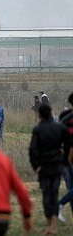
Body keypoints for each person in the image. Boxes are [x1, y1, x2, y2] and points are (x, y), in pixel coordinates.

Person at [29, 104, 69, 235]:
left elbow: (33, 150)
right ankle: (54, 225)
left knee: (46, 196)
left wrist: (36, 166)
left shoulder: (38, 129)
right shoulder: (60, 128)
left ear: (39, 114)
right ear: (51, 112)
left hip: (44, 168)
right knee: (55, 194)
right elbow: (69, 143)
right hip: (57, 166)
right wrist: (64, 157)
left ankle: (49, 225)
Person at [57, 92, 73, 223]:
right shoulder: (69, 119)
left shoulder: (64, 118)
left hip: (65, 159)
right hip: (70, 159)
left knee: (71, 187)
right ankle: (60, 204)